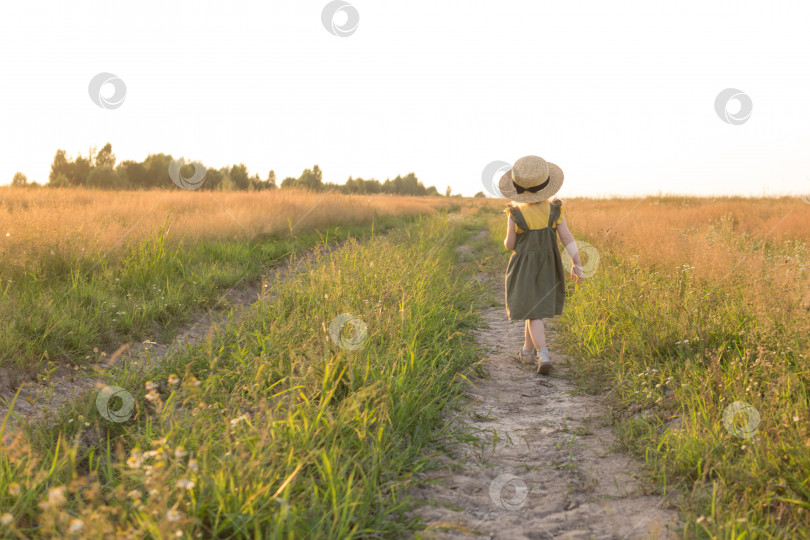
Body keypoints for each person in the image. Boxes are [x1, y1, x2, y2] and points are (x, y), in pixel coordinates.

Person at [499, 155, 584, 375]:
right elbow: (567, 238)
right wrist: (577, 262)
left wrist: (509, 238)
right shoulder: (554, 210)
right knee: (533, 308)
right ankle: (527, 352)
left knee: (533, 311)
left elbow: (510, 245)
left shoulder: (515, 213)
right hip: (548, 265)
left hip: (524, 266)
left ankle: (543, 354)